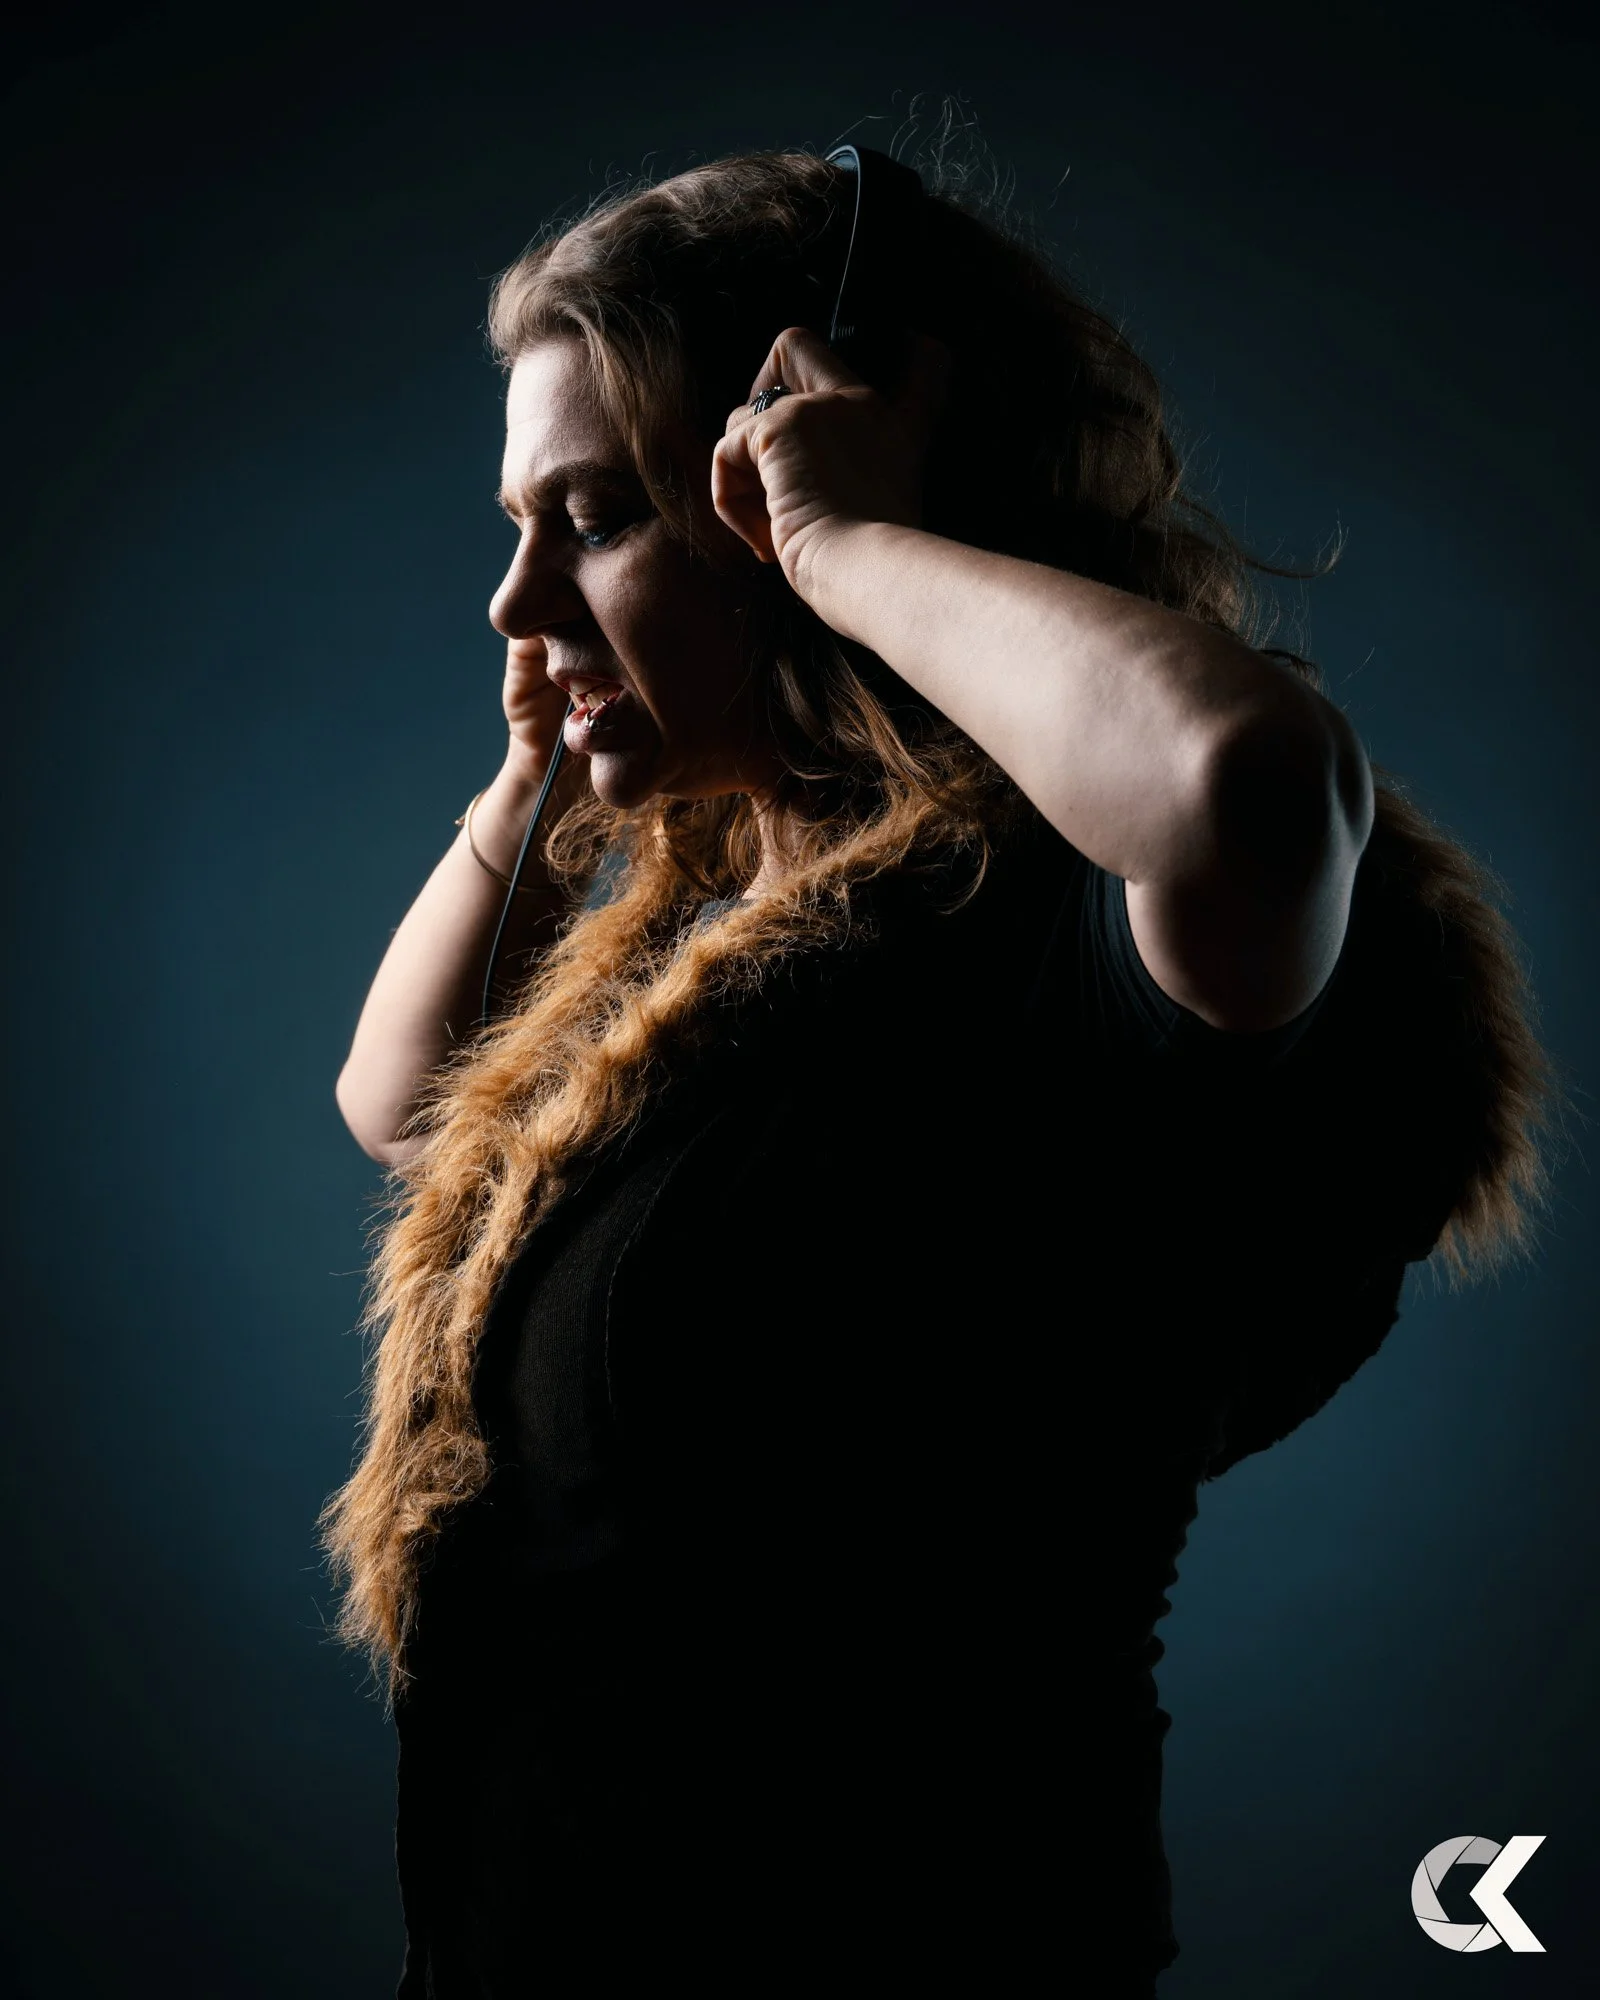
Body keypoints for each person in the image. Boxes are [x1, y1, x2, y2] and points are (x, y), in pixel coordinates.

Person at [321, 146, 1554, 1995]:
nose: (515, 594)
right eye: (519, 522)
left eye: (591, 516)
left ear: (790, 475)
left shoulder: (1064, 927)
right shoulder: (711, 923)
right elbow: (409, 1103)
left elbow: (1254, 789)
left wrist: (841, 549)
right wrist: (540, 763)